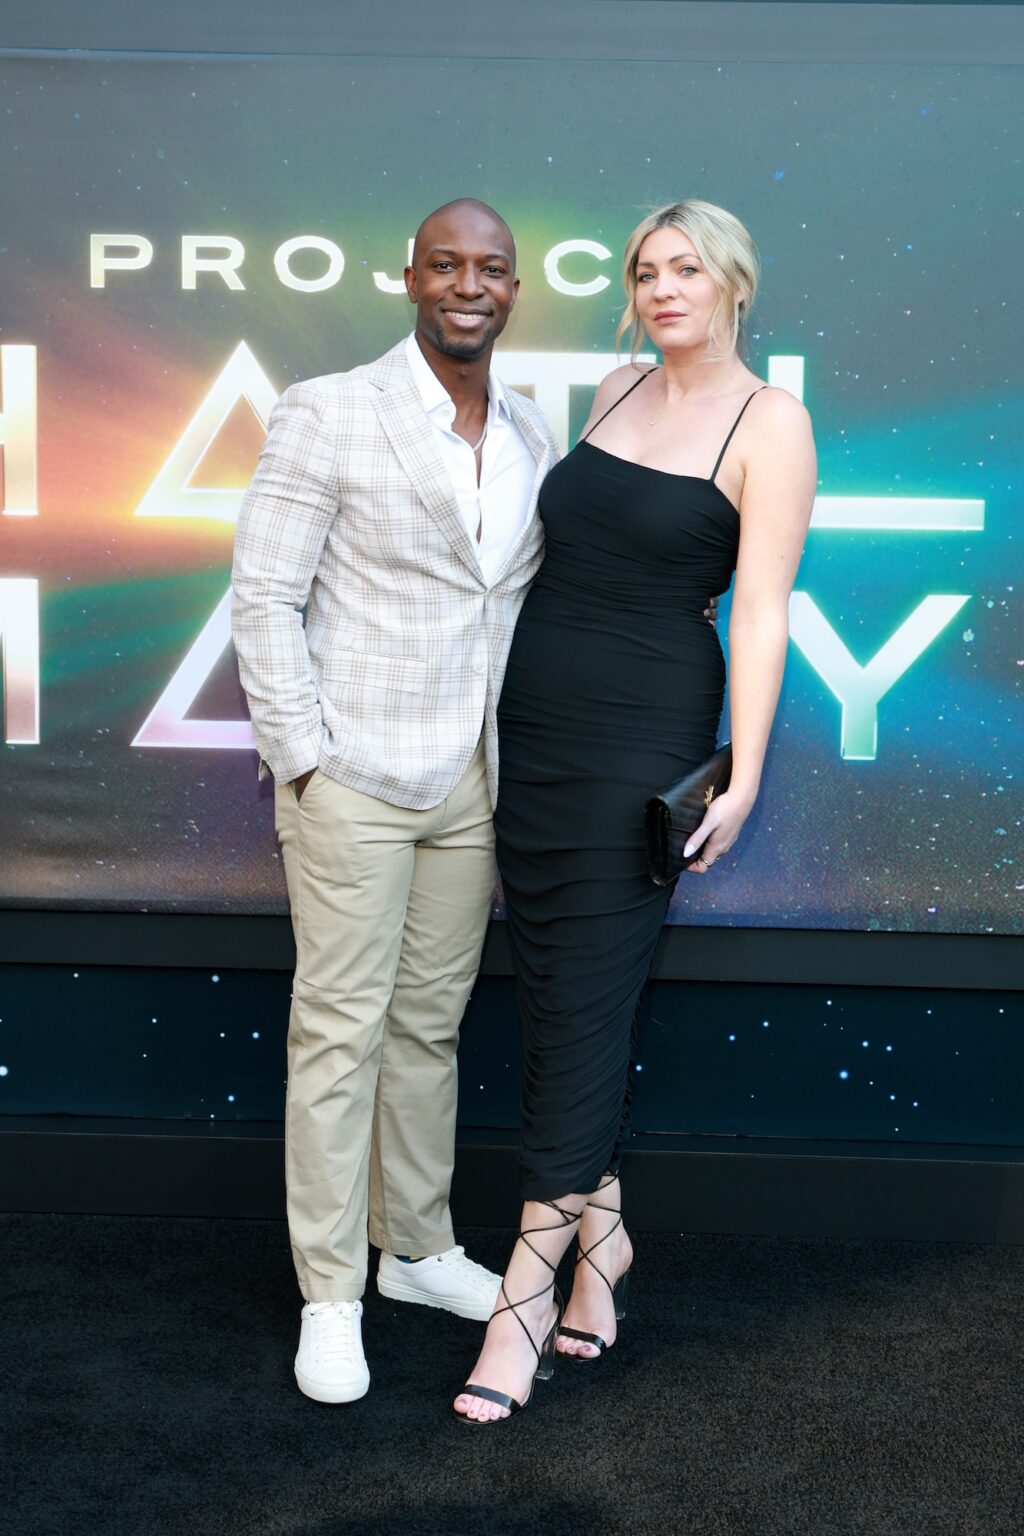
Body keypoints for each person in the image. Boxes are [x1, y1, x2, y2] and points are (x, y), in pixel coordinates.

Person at [453, 199, 817, 1424]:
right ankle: (604, 1245)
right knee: (560, 995)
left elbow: (758, 610)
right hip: (538, 736)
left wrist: (743, 770)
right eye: (646, 271)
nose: (664, 289)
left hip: (642, 743)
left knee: (591, 996)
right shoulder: (611, 386)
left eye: (687, 270)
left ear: (733, 285)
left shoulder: (773, 422)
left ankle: (522, 1305)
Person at [231, 199, 559, 1404]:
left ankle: (414, 1248)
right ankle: (330, 1292)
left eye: (492, 269)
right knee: (341, 1034)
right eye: (446, 265)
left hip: (472, 784)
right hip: (354, 778)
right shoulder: (331, 407)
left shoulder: (530, 425)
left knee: (428, 1028)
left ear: (513, 289)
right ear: (408, 276)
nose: (469, 285)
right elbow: (263, 597)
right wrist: (305, 755)